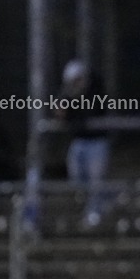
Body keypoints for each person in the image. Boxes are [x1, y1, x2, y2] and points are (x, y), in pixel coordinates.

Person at [57, 60, 110, 226]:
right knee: (77, 179)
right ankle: (94, 205)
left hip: (96, 142)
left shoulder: (95, 91)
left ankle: (95, 212)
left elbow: (92, 111)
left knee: (96, 180)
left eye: (78, 80)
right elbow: (63, 114)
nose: (76, 84)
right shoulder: (69, 94)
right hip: (79, 141)